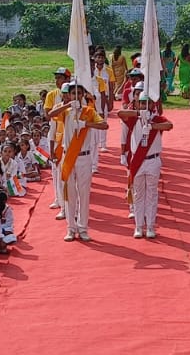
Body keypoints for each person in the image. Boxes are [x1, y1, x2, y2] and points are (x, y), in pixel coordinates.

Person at [49, 83, 108, 242]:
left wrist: (86, 124)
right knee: (70, 194)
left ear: (83, 95)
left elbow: (104, 125)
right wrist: (68, 104)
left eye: (78, 93)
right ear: (69, 95)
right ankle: (70, 228)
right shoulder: (65, 111)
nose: (76, 96)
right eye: (73, 93)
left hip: (84, 157)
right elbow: (50, 114)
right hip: (69, 156)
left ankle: (83, 228)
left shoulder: (89, 112)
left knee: (84, 193)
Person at [120, 92, 173, 239]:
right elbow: (120, 113)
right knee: (138, 194)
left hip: (153, 161)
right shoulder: (134, 119)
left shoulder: (156, 118)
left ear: (153, 105)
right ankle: (138, 226)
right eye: (142, 103)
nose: (145, 106)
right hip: (138, 162)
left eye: (148, 103)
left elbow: (169, 125)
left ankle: (150, 226)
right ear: (137, 104)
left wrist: (152, 125)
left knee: (152, 194)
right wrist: (138, 113)